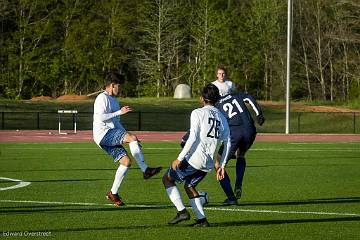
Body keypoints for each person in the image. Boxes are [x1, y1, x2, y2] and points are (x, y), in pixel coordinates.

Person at [162, 84, 231, 227]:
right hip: (208, 164)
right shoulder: (222, 118)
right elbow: (228, 143)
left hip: (194, 159)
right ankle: (202, 220)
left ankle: (182, 212)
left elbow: (192, 137)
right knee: (189, 186)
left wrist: (179, 158)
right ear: (217, 99)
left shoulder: (197, 113)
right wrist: (222, 165)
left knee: (167, 179)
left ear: (201, 98)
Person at [93, 71, 162, 206]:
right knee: (132, 139)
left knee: (126, 162)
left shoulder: (114, 100)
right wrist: (121, 114)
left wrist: (130, 138)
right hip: (103, 134)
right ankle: (146, 170)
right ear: (113, 85)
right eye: (119, 86)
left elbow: (116, 122)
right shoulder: (102, 98)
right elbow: (100, 117)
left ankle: (113, 193)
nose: (120, 89)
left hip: (108, 134)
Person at [214, 91, 265, 205]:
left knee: (218, 164)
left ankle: (231, 197)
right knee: (240, 155)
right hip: (250, 130)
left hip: (234, 133)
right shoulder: (235, 94)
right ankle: (238, 183)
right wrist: (259, 114)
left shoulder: (216, 106)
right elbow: (250, 97)